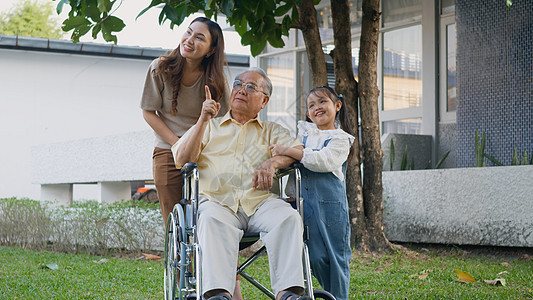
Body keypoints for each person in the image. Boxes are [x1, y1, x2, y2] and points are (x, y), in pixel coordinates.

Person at [172, 68, 310, 300]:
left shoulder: (272, 131)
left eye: (251, 87)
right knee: (211, 219)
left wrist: (273, 162)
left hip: (261, 203)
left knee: (288, 217)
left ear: (264, 100)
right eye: (238, 84)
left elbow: (299, 152)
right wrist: (203, 119)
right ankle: (218, 294)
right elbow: (183, 160)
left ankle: (288, 294)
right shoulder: (209, 126)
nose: (241, 90)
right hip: (218, 203)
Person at [140, 16, 229, 227]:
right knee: (174, 220)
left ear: (211, 50)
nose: (189, 40)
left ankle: (210, 257)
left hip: (204, 152)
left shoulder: (217, 79)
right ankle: (179, 259)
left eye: (199, 37)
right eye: (188, 32)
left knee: (207, 215)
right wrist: (177, 144)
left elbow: (227, 119)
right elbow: (148, 112)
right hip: (167, 149)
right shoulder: (159, 68)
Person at [270, 86, 354, 300]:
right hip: (303, 206)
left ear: (337, 106)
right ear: (308, 114)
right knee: (314, 256)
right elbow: (292, 169)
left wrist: (289, 151)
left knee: (336, 258)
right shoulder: (304, 137)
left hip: (330, 209)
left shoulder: (340, 139)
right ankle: (324, 292)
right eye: (311, 105)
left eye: (322, 102)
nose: (317, 107)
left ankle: (338, 296)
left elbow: (322, 161)